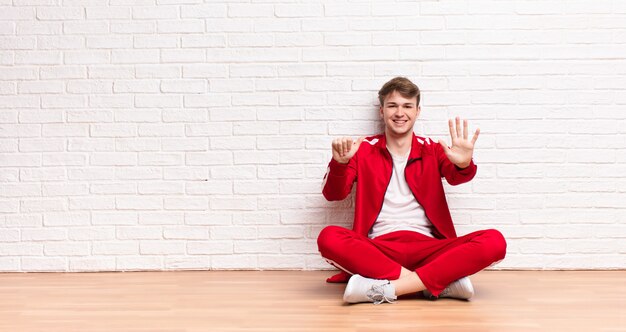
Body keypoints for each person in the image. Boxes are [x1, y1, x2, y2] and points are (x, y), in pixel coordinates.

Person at [317, 77, 507, 304]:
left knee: (494, 241)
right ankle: (439, 284)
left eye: (407, 106)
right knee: (328, 238)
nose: (400, 112)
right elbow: (334, 194)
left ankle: (385, 288)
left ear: (417, 111)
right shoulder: (362, 149)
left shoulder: (433, 149)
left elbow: (457, 177)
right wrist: (340, 164)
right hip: (379, 248)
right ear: (381, 111)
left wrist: (464, 163)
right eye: (392, 105)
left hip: (430, 249)